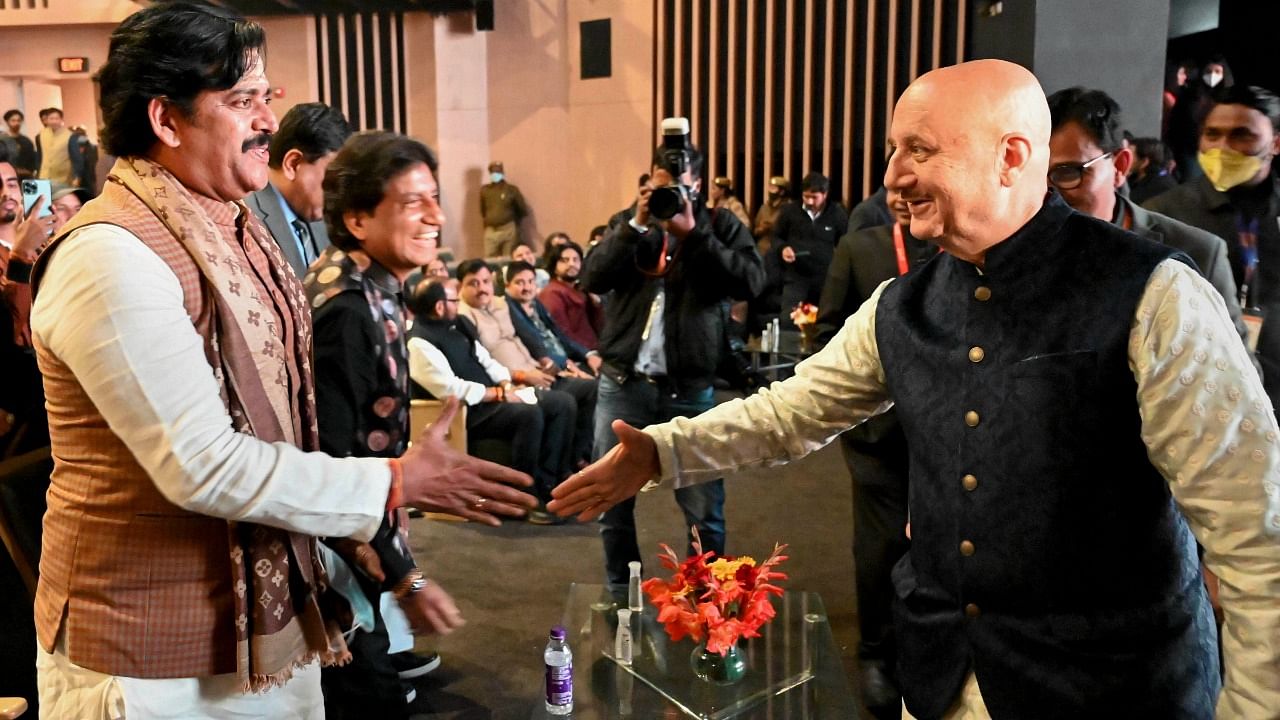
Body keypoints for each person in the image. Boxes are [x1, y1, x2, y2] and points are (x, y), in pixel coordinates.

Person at [552, 60, 1280, 719]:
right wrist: (660, 451)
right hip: (941, 681)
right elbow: (791, 413)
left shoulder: (1154, 294)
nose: (893, 176)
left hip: (1116, 690)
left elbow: (1256, 538)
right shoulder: (901, 305)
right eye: (894, 151)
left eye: (920, 151)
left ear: (1012, 157)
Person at [27, 5, 534, 717]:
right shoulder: (109, 255)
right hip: (152, 662)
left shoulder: (234, 229)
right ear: (167, 121)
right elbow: (202, 463)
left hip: (263, 629)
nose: (269, 119)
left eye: (268, 96)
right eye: (242, 101)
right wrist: (390, 480)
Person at [579, 125, 765, 593]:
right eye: (659, 184)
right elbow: (593, 277)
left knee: (704, 509)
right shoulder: (630, 222)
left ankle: (704, 599)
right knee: (612, 504)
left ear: (697, 185)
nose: (668, 193)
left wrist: (693, 233)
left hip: (691, 390)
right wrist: (636, 224)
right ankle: (621, 596)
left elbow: (752, 281)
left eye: (677, 184)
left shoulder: (719, 226)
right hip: (623, 385)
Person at [305, 131, 452, 716]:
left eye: (434, 198)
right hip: (325, 555)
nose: (436, 217)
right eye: (414, 203)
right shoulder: (346, 310)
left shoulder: (370, 284)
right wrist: (407, 579)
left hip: (357, 534)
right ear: (358, 218)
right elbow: (338, 468)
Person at [814, 187, 933, 718]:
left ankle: (927, 646)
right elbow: (827, 329)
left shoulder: (967, 247)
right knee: (880, 545)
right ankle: (875, 652)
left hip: (951, 430)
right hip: (879, 434)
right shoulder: (859, 248)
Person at [1046, 86, 1253, 360]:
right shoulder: (1015, 251)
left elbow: (1240, 380)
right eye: (1034, 175)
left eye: (1066, 172)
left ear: (1120, 166)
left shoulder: (1196, 253)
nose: (1047, 194)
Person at [1145, 85, 1280, 406]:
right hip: (1201, 388)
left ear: (1275, 143)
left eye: (1242, 135)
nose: (1223, 147)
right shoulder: (1163, 214)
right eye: (1212, 134)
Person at [407, 278, 573, 525]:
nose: (458, 305)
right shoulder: (418, 342)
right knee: (527, 414)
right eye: (453, 301)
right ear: (440, 307)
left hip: (494, 397)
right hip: (465, 412)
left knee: (562, 403)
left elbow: (485, 360)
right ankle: (522, 495)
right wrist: (498, 394)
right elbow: (450, 389)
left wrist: (506, 383)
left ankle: (549, 482)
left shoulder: (458, 323)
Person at [247, 102, 352, 278]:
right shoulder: (247, 220)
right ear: (293, 164)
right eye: (332, 179)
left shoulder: (322, 221)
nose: (337, 194)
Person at [0, 147, 53, 457]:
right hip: (25, 385)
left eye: (10, 183)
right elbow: (9, 327)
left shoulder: (45, 242)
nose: (6, 191)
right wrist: (19, 259)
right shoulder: (18, 254)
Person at [771, 172, 849, 325]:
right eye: (806, 196)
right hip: (795, 277)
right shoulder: (789, 211)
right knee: (788, 321)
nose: (809, 201)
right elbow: (776, 237)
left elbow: (845, 243)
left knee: (824, 323)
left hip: (824, 278)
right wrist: (783, 248)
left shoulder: (837, 213)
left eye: (814, 197)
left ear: (825, 194)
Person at [505, 260, 601, 379]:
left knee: (607, 373)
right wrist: (567, 365)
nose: (527, 288)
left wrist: (588, 355)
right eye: (519, 283)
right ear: (507, 285)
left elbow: (559, 335)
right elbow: (534, 347)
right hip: (549, 369)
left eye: (530, 281)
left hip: (567, 361)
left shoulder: (535, 303)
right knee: (595, 386)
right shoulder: (507, 309)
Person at [539, 240, 604, 350]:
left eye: (576, 260)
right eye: (565, 260)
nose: (571, 264)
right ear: (554, 266)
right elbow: (562, 333)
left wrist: (596, 304)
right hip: (581, 354)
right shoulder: (551, 293)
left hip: (597, 347)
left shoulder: (581, 288)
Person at [480, 160, 528, 257]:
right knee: (489, 259)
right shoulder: (485, 190)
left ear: (502, 173)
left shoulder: (511, 190)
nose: (495, 174)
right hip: (491, 230)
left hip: (508, 229)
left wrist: (513, 221)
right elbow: (483, 210)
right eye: (493, 172)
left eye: (497, 172)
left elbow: (522, 210)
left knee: (508, 258)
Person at [33, 107, 85, 189]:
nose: (54, 121)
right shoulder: (40, 135)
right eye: (51, 118)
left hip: (63, 178)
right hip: (43, 176)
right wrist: (37, 172)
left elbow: (76, 159)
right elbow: (39, 156)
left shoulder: (70, 136)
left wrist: (77, 177)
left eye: (56, 118)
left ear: (61, 120)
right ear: (47, 120)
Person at [1128, 137, 1178, 205]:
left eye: (1130, 155)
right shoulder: (1136, 176)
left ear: (1144, 162)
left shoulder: (1160, 188)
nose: (1125, 158)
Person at [751, 174, 789, 251]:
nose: (770, 191)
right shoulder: (764, 207)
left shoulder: (788, 208)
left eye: (773, 188)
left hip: (779, 249)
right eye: (770, 187)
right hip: (762, 249)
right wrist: (760, 229)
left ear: (782, 192)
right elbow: (755, 229)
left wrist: (771, 227)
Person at [2, 110, 37, 179]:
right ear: (7, 122)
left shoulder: (26, 141)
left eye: (19, 120)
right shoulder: (2, 140)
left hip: (25, 177)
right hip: (5, 177)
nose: (16, 123)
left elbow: (32, 162)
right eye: (13, 120)